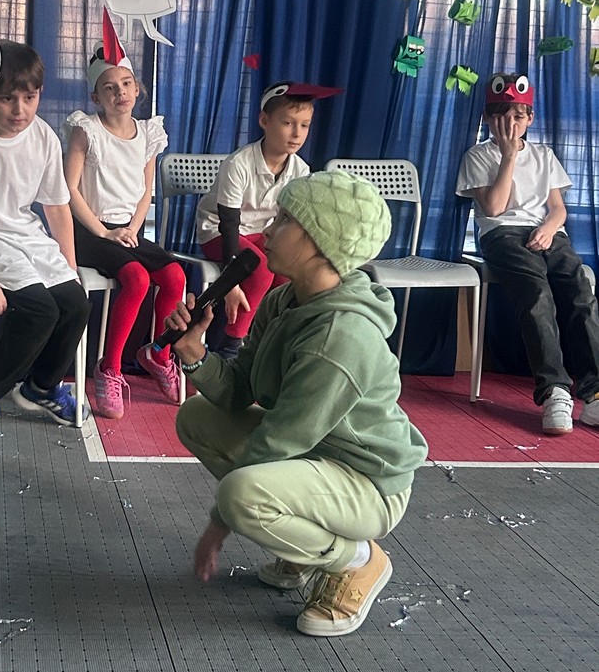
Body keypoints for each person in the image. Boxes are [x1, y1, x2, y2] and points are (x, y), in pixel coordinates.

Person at [167, 170, 428, 638]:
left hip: (368, 483)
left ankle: (358, 560)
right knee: (197, 417)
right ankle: (303, 550)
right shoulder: (284, 300)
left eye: (285, 219)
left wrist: (216, 527)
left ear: (322, 243)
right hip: (315, 455)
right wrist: (195, 355)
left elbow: (278, 441)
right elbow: (238, 391)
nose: (268, 229)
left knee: (240, 495)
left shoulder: (339, 337)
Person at [0, 41, 90, 457]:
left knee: (75, 304)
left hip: (26, 235)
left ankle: (41, 386)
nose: (19, 110)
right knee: (40, 311)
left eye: (30, 97)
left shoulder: (43, 135)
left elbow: (56, 206)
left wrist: (68, 265)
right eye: (7, 98)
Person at [456, 72, 599, 435]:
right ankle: (554, 390)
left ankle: (595, 393)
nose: (511, 124)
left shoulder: (543, 155)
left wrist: (549, 228)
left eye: (519, 116)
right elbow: (494, 208)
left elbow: (558, 208)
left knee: (580, 291)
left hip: (548, 233)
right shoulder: (478, 155)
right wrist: (507, 157)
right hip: (502, 233)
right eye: (502, 117)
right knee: (536, 293)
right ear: (488, 119)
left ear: (530, 118)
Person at [64, 42, 187, 420]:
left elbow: (146, 191)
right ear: (96, 97)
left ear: (137, 88)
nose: (120, 92)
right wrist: (104, 232)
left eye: (126, 84)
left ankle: (159, 353)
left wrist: (133, 228)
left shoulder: (148, 133)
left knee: (175, 276)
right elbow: (69, 190)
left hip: (128, 230)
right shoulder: (86, 130)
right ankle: (110, 368)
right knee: (136, 279)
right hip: (90, 232)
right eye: (109, 87)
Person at [195, 81, 341, 358]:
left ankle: (269, 342)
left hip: (262, 233)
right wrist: (231, 282)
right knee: (260, 269)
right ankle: (231, 346)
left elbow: (293, 222)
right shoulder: (238, 164)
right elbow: (228, 224)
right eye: (288, 123)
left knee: (288, 270)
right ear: (264, 121)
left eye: (305, 125)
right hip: (220, 232)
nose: (297, 133)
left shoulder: (300, 169)